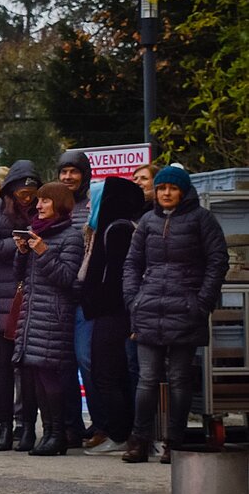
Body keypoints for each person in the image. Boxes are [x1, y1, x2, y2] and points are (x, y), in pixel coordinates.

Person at [122, 166, 229, 463]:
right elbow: (132, 263)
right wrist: (133, 299)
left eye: (172, 188)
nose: (166, 193)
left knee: (179, 379)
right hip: (149, 309)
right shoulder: (148, 221)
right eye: (161, 188)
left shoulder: (202, 219)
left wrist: (202, 302)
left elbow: (218, 261)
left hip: (186, 310)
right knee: (147, 379)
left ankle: (175, 443)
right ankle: (140, 441)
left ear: (184, 191)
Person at [13, 182, 84, 457]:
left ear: (59, 204)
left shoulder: (71, 236)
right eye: (39, 201)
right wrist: (22, 252)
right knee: (37, 377)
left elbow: (66, 278)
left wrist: (43, 252)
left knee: (50, 376)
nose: (39, 205)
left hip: (54, 313)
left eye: (45, 201)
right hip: (33, 311)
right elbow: (21, 275)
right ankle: (48, 432)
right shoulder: (36, 232)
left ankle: (59, 434)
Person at [79, 178, 148, 456]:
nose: (88, 205)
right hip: (111, 313)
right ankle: (119, 431)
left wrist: (96, 301)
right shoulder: (109, 228)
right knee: (111, 373)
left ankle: (119, 433)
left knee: (106, 374)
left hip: (114, 314)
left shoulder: (118, 230)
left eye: (93, 199)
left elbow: (117, 278)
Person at [0, 162, 41, 452]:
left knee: (28, 366)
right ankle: (4, 426)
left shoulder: (42, 205)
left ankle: (27, 426)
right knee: (2, 365)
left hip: (31, 290)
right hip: (0, 292)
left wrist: (29, 244)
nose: (26, 198)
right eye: (21, 193)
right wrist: (19, 244)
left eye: (31, 193)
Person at [57, 149, 95, 445]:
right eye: (64, 171)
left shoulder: (94, 204)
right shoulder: (55, 204)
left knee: (86, 359)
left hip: (86, 296)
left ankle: (100, 423)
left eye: (74, 171)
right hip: (58, 294)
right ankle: (70, 425)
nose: (68, 177)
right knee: (62, 363)